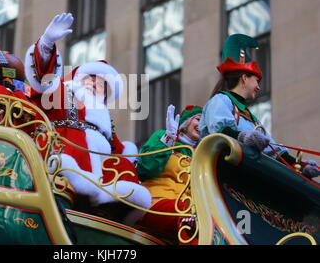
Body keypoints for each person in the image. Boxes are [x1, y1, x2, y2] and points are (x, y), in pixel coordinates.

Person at [24, 13, 151, 225]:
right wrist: (46, 45)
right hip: (66, 152)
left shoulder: (105, 119)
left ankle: (108, 211)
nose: (95, 84)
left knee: (127, 171)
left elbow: (118, 149)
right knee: (70, 166)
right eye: (91, 78)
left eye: (102, 83)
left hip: (102, 170)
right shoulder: (63, 93)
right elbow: (42, 81)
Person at [199, 33, 320, 180]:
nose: (258, 87)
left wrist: (299, 164)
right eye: (257, 81)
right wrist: (243, 135)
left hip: (245, 176)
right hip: (224, 177)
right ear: (244, 78)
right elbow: (219, 133)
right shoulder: (220, 100)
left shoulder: (253, 119)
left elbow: (272, 150)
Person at [136, 104, 202, 244]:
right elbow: (145, 168)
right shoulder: (163, 136)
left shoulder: (201, 156)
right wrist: (168, 139)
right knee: (189, 218)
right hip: (155, 203)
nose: (201, 124)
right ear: (186, 122)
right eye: (198, 119)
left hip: (186, 209)